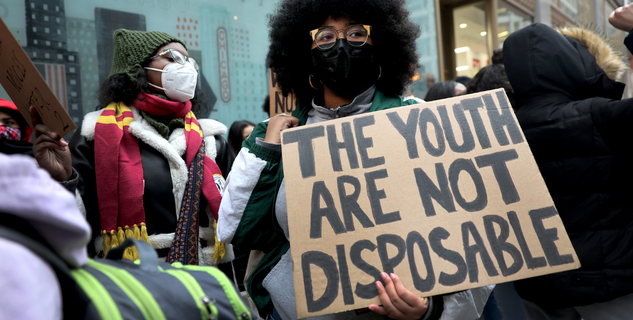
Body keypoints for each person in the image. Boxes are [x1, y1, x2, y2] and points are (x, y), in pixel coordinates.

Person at [217, 1, 494, 319]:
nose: (341, 43)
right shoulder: (276, 134)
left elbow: (471, 238)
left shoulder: (418, 119)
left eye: (356, 33)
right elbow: (234, 229)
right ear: (305, 53)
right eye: (325, 36)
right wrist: (268, 151)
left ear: (382, 45)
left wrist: (433, 309)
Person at [33, 29, 233, 266]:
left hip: (206, 285)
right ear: (138, 67)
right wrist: (62, 179)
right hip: (134, 283)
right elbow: (70, 228)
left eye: (189, 61)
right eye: (173, 58)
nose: (186, 67)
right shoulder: (96, 135)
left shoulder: (211, 139)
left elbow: (236, 217)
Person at [503, 21, 633, 319]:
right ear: (574, 64)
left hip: (535, 295)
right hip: (612, 291)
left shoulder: (499, 134)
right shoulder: (603, 116)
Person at [0, 151, 91, 320]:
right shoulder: (27, 180)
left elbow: (75, 231)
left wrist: (62, 178)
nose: (2, 130)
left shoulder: (38, 171)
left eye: (9, 122)